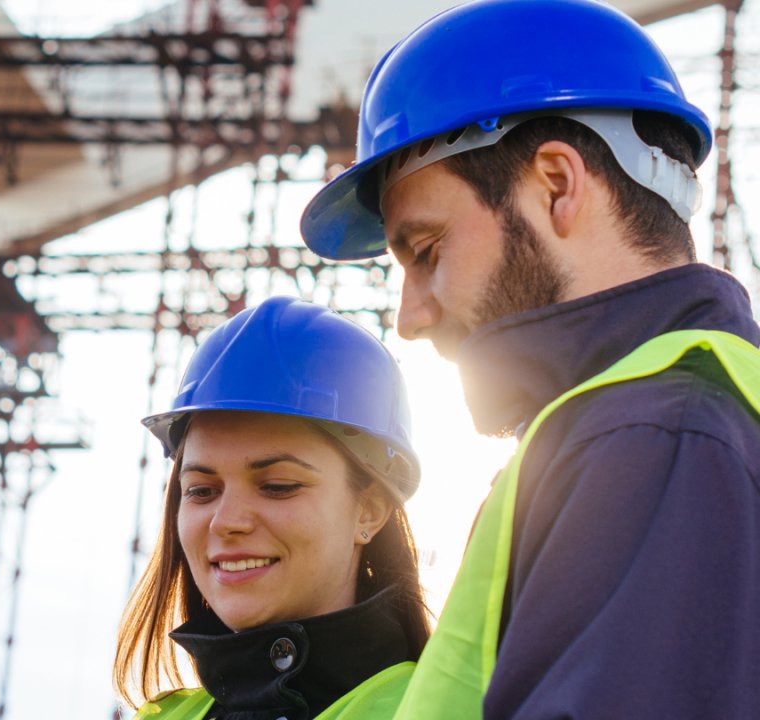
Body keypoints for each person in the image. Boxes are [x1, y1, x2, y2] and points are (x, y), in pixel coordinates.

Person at [299, 0, 760, 717]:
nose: (410, 317)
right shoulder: (668, 423)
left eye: (426, 253)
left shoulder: (648, 438)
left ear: (557, 185)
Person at [114, 296, 432, 720]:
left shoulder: (438, 709)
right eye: (201, 491)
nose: (226, 522)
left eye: (278, 486)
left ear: (370, 510)